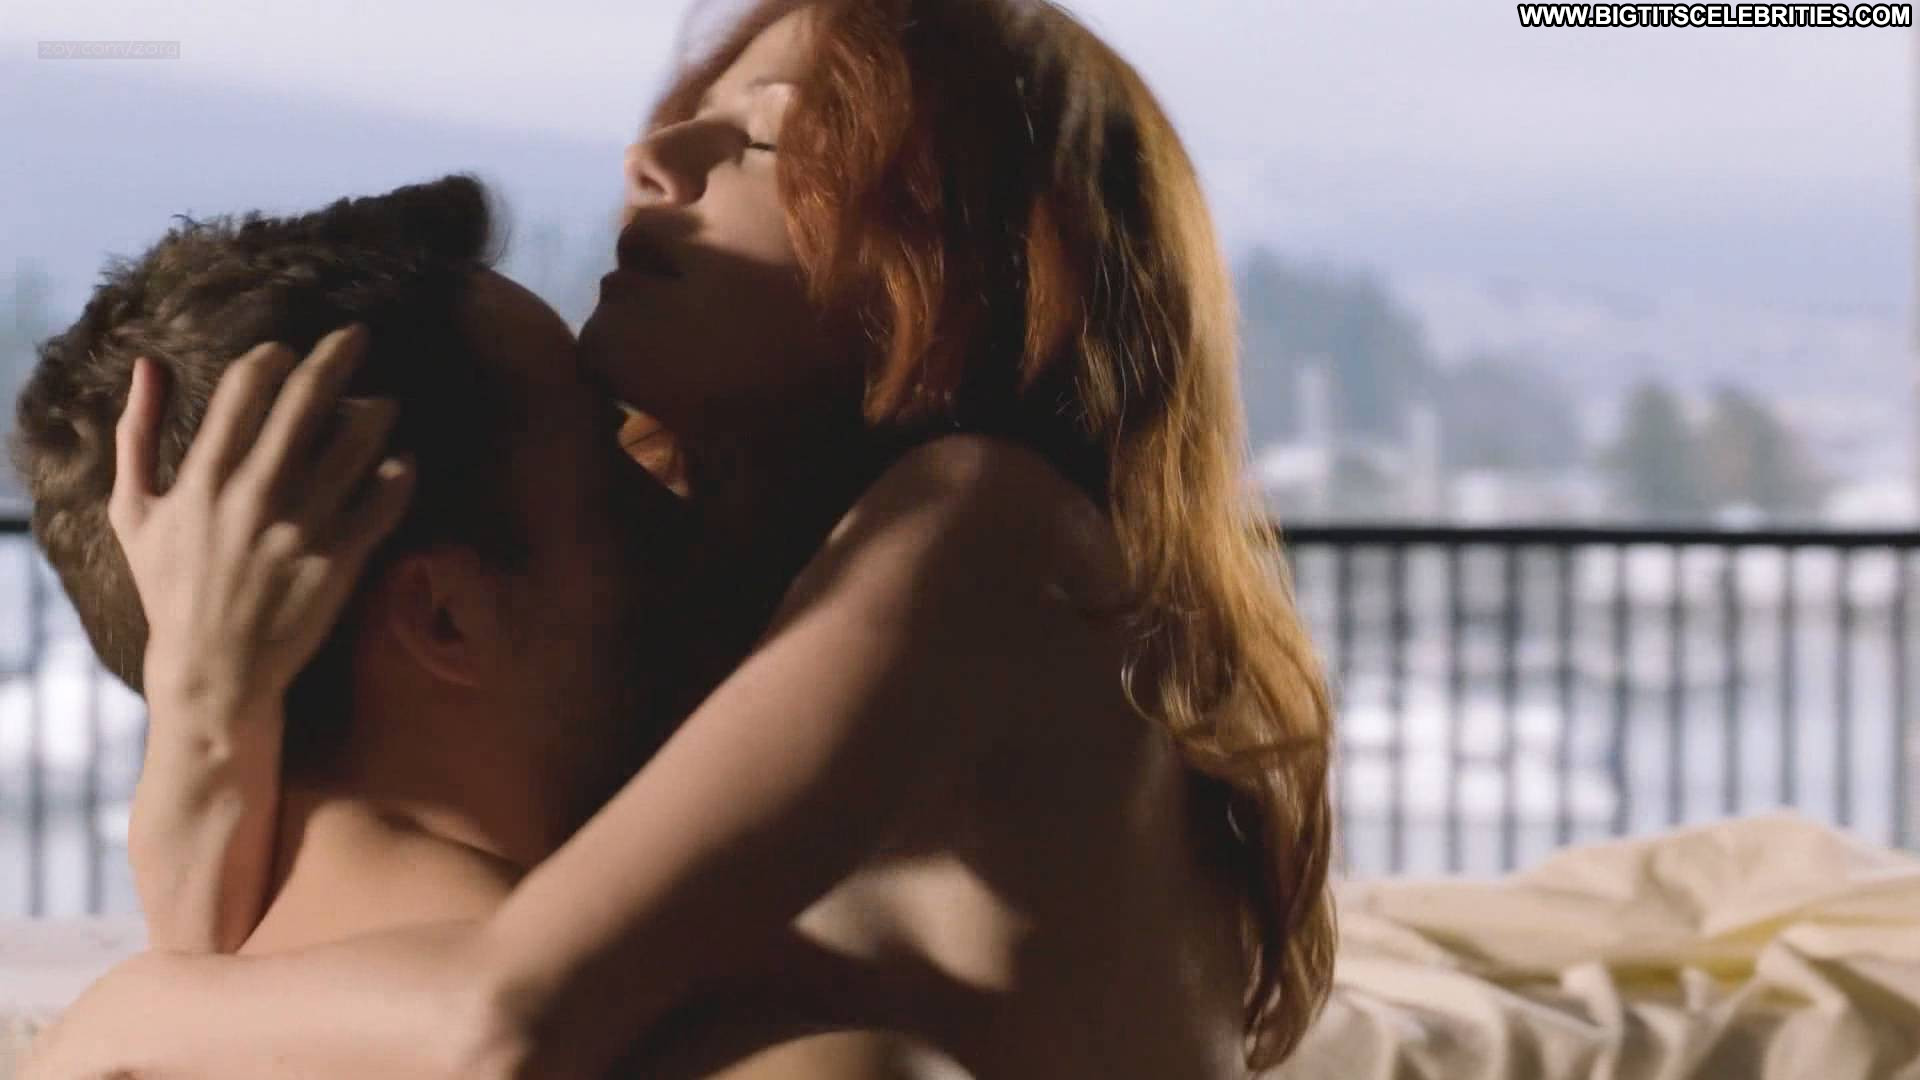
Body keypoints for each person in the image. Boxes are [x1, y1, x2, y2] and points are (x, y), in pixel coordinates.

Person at [30, 2, 1337, 1076]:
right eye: (682, 123)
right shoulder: (741, 572)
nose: (652, 163)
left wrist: (122, 1016)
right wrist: (205, 703)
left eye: (761, 140)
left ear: (957, 257)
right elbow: (243, 934)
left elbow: (497, 1020)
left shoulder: (983, 530)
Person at [16, 177, 923, 1078]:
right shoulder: (788, 1065)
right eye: (608, 459)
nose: (685, 505)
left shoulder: (123, 1044)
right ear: (444, 617)